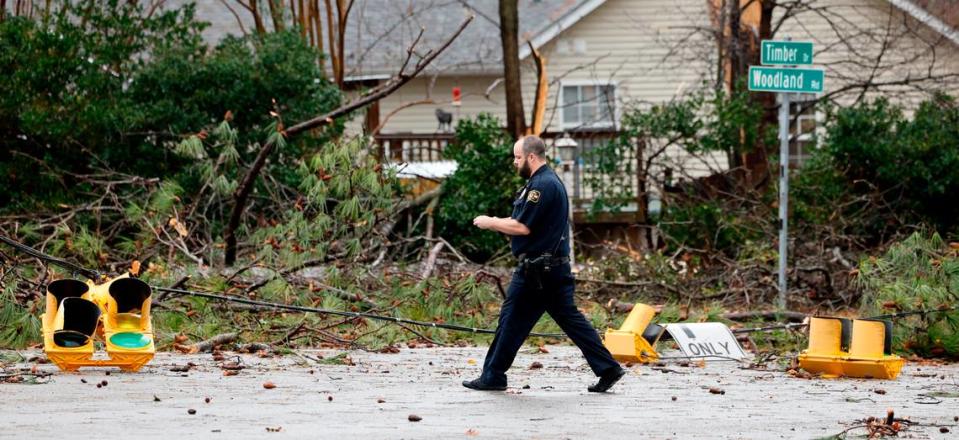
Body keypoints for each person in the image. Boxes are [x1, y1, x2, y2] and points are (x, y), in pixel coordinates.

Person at [462, 135, 626, 393]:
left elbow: (521, 226)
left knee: (511, 320)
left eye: (517, 157)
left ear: (531, 157)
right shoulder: (544, 182)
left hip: (538, 271)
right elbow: (523, 220)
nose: (515, 163)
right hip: (550, 269)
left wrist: (489, 221)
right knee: (562, 320)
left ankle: (493, 376)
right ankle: (608, 368)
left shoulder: (542, 186)